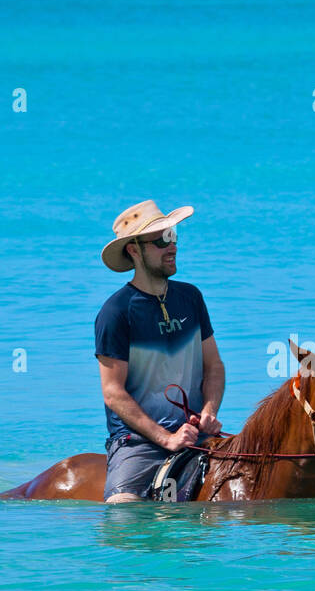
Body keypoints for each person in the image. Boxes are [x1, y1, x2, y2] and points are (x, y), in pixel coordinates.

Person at [95, 200, 225, 502]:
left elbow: (214, 366)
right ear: (134, 250)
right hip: (137, 444)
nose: (172, 246)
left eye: (174, 235)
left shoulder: (191, 297)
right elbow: (113, 392)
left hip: (197, 436)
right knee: (123, 515)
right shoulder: (115, 312)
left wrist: (209, 411)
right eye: (161, 240)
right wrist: (166, 438)